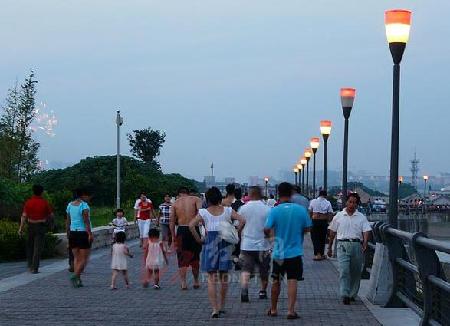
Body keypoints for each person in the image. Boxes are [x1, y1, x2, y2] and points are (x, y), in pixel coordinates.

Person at [189, 187, 245, 318]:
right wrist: (236, 232)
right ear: (220, 198)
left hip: (210, 243)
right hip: (225, 243)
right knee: (224, 277)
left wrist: (199, 239)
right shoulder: (228, 210)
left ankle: (214, 309)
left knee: (211, 278)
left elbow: (191, 225)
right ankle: (222, 306)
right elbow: (243, 220)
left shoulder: (203, 212)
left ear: (207, 199)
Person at [264, 182, 312, 319]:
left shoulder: (274, 210)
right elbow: (308, 228)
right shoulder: (300, 210)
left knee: (276, 281)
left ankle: (273, 309)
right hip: (295, 252)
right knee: (292, 281)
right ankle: (290, 311)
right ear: (291, 193)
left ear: (278, 193)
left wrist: (271, 237)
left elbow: (267, 228)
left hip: (279, 252)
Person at [327, 192, 372, 305]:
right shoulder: (339, 216)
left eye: (354, 203)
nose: (352, 204)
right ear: (346, 202)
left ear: (357, 204)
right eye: (350, 202)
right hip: (342, 244)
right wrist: (330, 246)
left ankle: (352, 294)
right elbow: (332, 231)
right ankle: (345, 294)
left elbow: (366, 230)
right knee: (344, 270)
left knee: (356, 271)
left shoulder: (361, 217)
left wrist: (365, 243)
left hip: (357, 245)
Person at [238, 186, 271, 302]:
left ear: (249, 195)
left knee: (246, 269)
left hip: (247, 244)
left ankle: (244, 290)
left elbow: (239, 226)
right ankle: (262, 291)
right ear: (261, 194)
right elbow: (270, 228)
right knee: (264, 270)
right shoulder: (267, 209)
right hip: (263, 245)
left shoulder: (243, 209)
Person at [170, 186, 203, 290]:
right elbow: (201, 214)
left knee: (181, 258)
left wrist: (172, 236)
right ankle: (196, 281)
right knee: (195, 257)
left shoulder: (175, 203)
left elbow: (171, 221)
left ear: (179, 194)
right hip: (194, 229)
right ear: (188, 193)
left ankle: (183, 283)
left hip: (181, 230)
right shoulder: (196, 199)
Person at [18, 185, 54, 274]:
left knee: (30, 246)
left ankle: (30, 266)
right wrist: (50, 224)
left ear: (33, 191)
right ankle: (35, 268)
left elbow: (24, 216)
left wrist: (21, 228)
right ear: (42, 192)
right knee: (37, 248)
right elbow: (51, 215)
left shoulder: (28, 202)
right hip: (40, 226)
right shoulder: (44, 202)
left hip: (30, 225)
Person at [66, 188, 93, 288]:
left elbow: (68, 222)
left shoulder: (69, 205)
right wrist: (90, 234)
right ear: (82, 195)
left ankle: (78, 280)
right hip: (82, 233)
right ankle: (75, 275)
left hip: (73, 233)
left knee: (77, 258)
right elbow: (86, 221)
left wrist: (68, 234)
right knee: (84, 259)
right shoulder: (84, 206)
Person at [309, 190, 334, 261]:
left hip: (314, 221)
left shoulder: (313, 201)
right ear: (325, 196)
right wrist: (329, 221)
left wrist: (310, 219)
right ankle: (322, 254)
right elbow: (330, 213)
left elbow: (310, 211)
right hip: (323, 222)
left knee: (315, 238)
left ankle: (317, 254)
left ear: (319, 195)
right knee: (322, 238)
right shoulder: (328, 202)